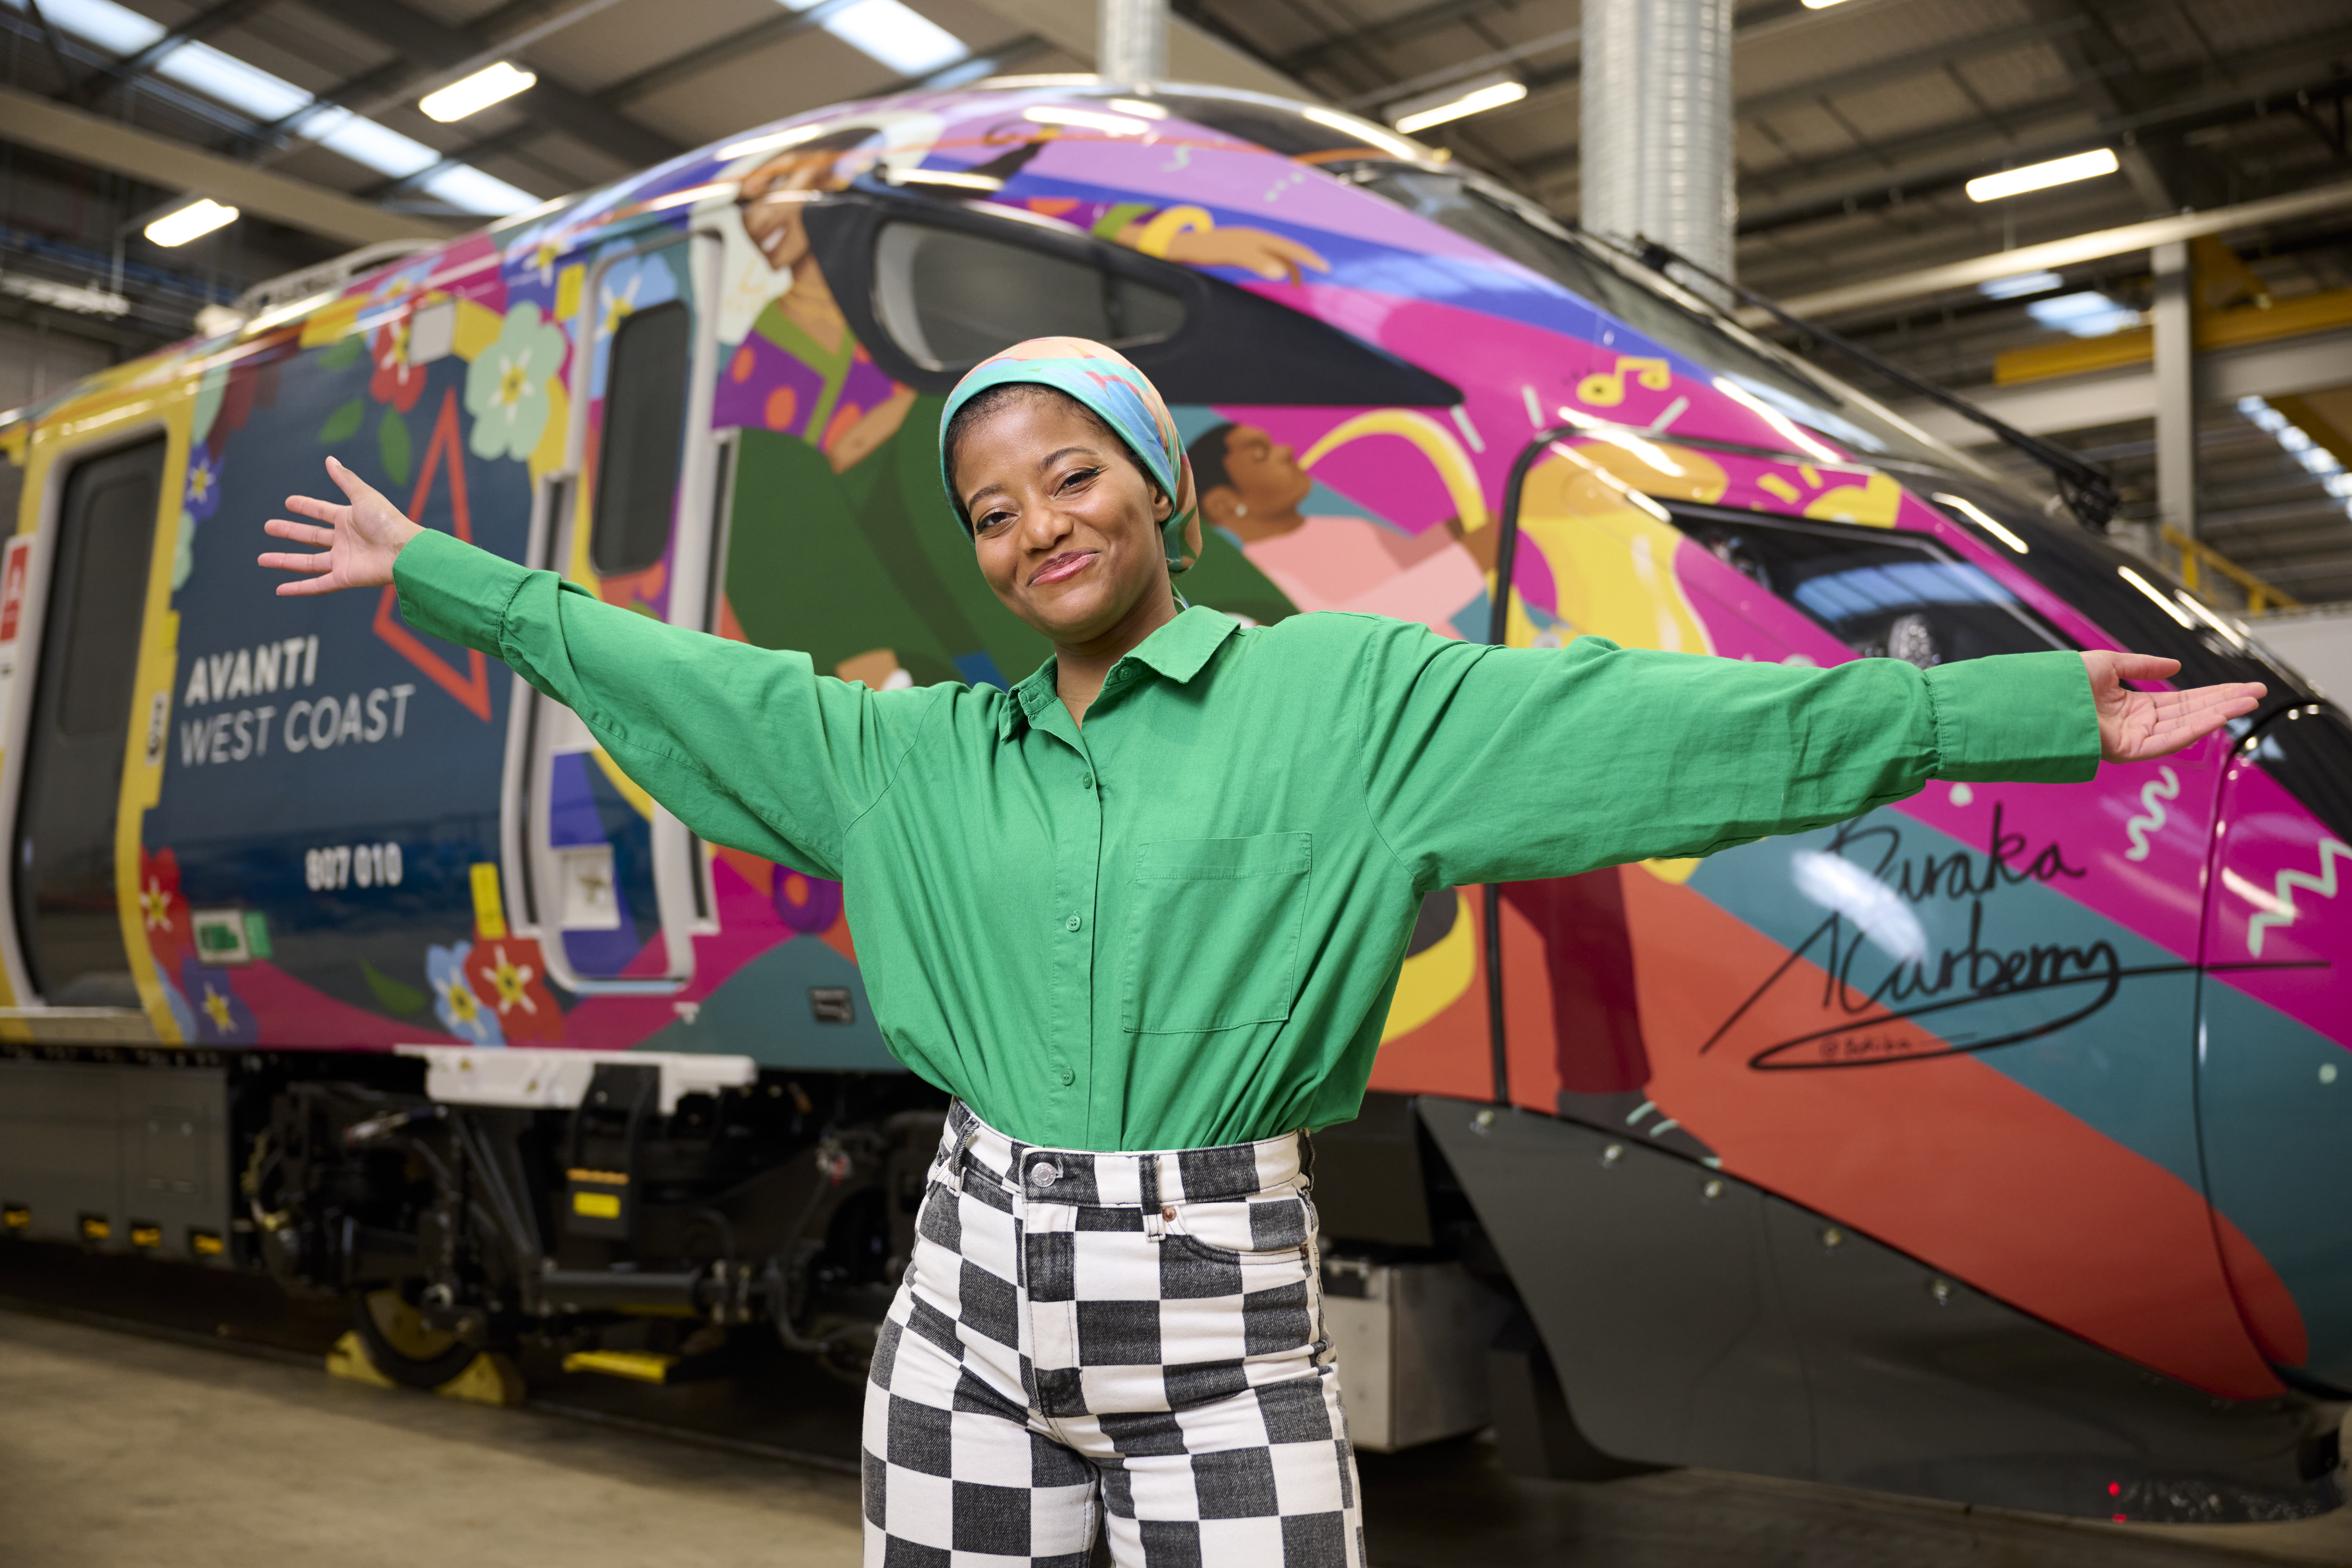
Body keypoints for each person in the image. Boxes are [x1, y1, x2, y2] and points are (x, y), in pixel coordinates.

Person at [260, 335, 2261, 1568]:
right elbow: (677, 675)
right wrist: (440, 569)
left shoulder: (1350, 705)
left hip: (1215, 1298)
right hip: (966, 1290)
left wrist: (2012, 713)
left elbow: (1665, 733)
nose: (1038, 525)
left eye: (1075, 475)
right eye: (992, 507)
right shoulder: (909, 758)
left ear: (1161, 497)